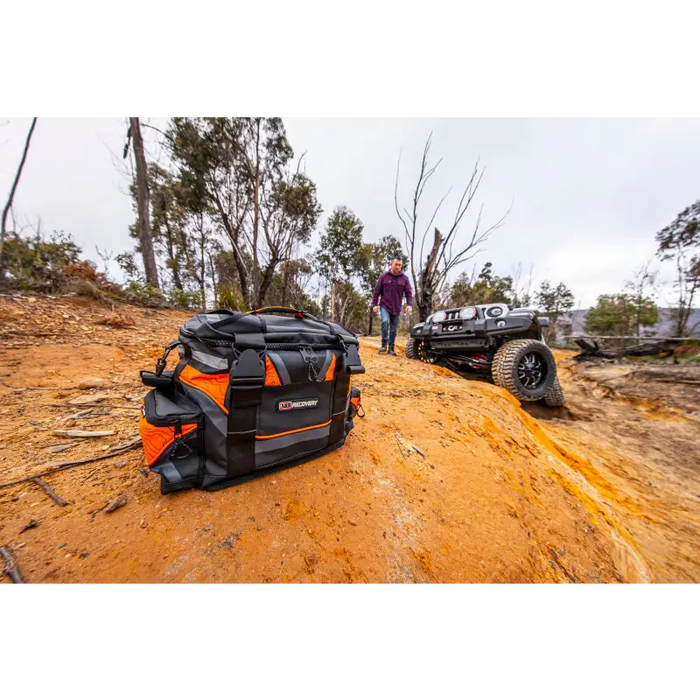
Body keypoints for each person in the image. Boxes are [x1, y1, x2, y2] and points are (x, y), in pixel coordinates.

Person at [372, 257, 413, 355]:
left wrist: (409, 305)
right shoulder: (383, 276)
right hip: (385, 306)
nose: (398, 267)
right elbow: (376, 292)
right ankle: (383, 345)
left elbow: (408, 293)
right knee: (385, 322)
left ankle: (391, 348)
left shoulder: (404, 278)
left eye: (400, 265)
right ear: (391, 264)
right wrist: (375, 304)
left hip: (396, 307)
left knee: (394, 329)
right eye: (396, 264)